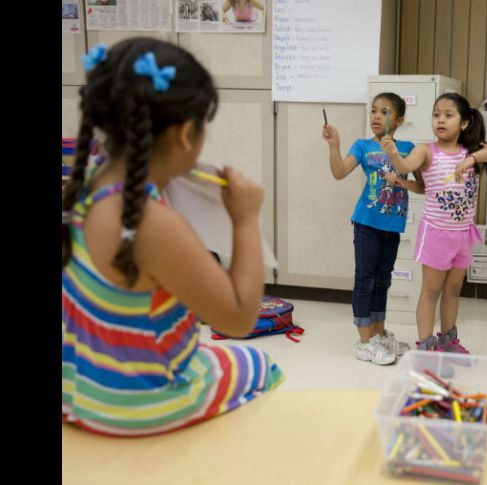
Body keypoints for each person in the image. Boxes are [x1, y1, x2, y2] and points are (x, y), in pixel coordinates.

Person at [62, 38, 283, 436]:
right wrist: (246, 220)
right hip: (141, 405)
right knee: (263, 365)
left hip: (81, 391)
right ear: (185, 134)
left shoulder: (85, 185)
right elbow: (237, 318)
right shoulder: (153, 224)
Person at [382, 93, 487, 354]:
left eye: (448, 115)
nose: (440, 120)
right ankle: (426, 346)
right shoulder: (426, 150)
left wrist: (471, 159)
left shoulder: (471, 150)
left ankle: (449, 341)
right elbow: (406, 164)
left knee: (453, 290)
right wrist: (393, 154)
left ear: (463, 123)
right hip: (437, 233)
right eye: (436, 114)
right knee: (431, 291)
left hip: (464, 234)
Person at [321, 93, 423, 366]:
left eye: (384, 112)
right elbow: (340, 172)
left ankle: (378, 333)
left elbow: (422, 186)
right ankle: (364, 342)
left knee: (383, 280)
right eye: (374, 111)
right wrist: (334, 146)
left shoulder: (409, 148)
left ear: (399, 120)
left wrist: (401, 179)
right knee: (365, 279)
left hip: (393, 225)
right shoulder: (363, 146)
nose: (376, 117)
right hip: (366, 223)